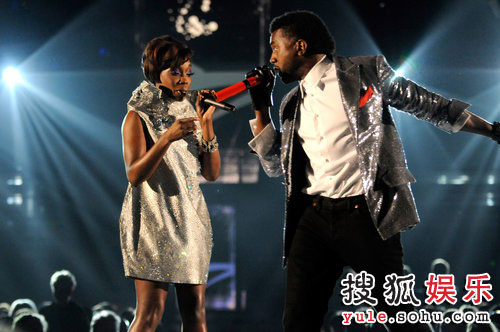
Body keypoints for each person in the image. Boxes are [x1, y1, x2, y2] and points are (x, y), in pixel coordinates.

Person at [246, 10, 500, 332]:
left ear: (299, 46)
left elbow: (430, 105)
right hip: (312, 218)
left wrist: (492, 130)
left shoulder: (366, 72)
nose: (271, 57)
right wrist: (260, 105)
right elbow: (273, 167)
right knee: (298, 319)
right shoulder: (291, 104)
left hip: (365, 213)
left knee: (398, 314)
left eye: (275, 47)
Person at [120, 35, 220, 332]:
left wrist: (207, 123)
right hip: (153, 221)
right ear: (155, 72)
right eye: (175, 72)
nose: (184, 80)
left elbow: (211, 174)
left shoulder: (191, 112)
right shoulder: (137, 114)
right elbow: (135, 175)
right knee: (150, 314)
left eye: (188, 72)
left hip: (190, 220)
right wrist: (166, 138)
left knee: (196, 315)